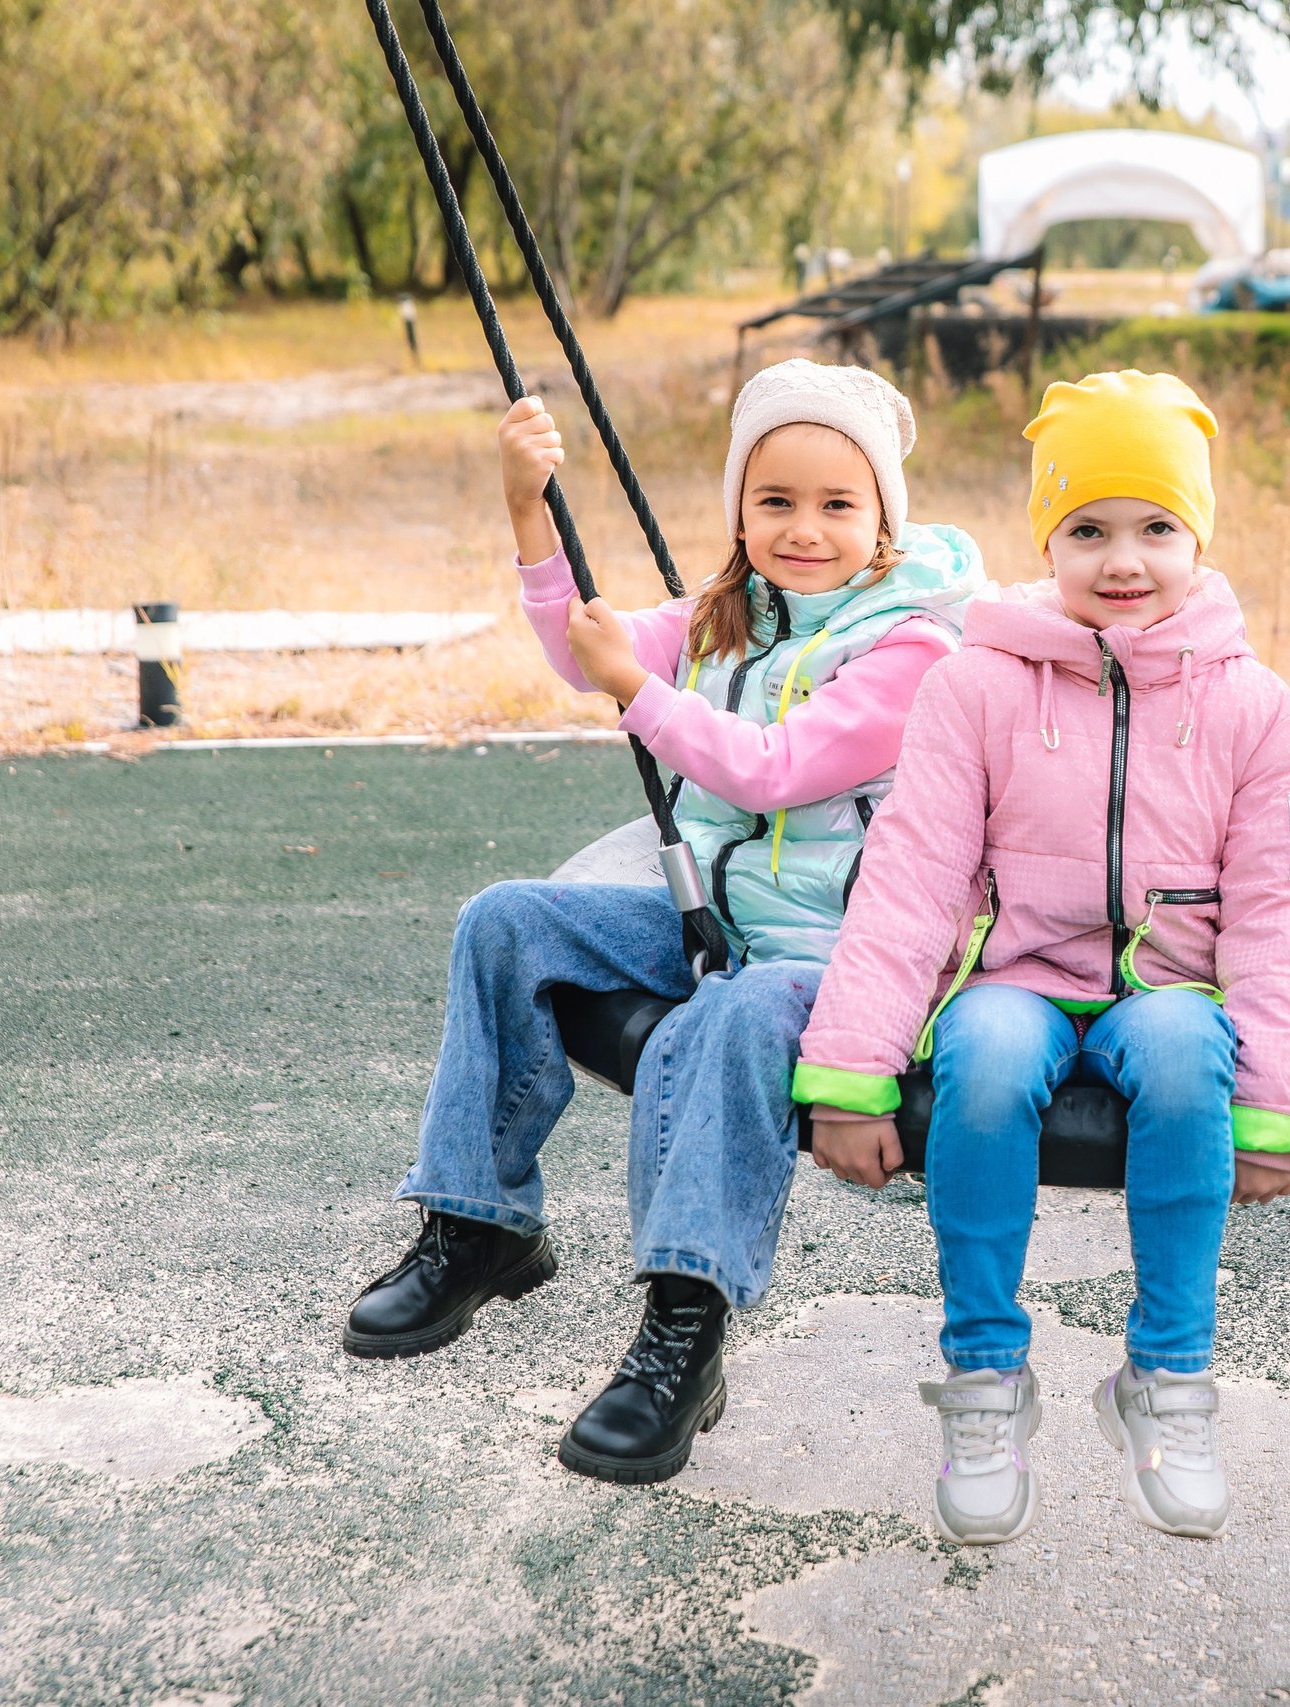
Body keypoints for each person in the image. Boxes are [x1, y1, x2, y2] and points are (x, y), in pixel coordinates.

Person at [342, 360, 986, 1489]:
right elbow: (580, 645)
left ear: (885, 517)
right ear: (739, 506)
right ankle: (482, 1224)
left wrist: (641, 696)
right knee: (507, 923)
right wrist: (528, 516)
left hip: (840, 959)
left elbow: (783, 769)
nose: (803, 529)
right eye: (774, 501)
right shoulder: (724, 616)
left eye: (837, 505)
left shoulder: (913, 648)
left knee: (728, 1020)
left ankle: (683, 1330)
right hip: (725, 917)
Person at [789, 371, 1290, 1546]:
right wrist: (849, 1066)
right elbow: (913, 877)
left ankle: (1167, 1378)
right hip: (1012, 979)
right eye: (1087, 529)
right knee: (980, 1057)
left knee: (1191, 1057)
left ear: (1199, 538)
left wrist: (1281, 1098)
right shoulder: (973, 687)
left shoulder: (1259, 709)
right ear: (1048, 539)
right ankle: (985, 1375)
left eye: (1156, 528)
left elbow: (1279, 913)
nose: (1122, 559)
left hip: (1169, 988)